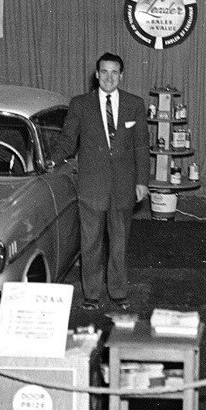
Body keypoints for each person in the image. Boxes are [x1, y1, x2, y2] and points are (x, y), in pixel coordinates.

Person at [52, 52, 150, 310]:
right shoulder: (80, 104)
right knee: (91, 241)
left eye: (114, 72)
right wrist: (50, 160)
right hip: (91, 186)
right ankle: (91, 295)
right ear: (96, 75)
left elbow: (141, 146)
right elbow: (67, 140)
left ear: (121, 75)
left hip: (123, 186)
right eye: (104, 72)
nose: (109, 77)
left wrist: (142, 181)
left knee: (119, 242)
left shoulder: (134, 104)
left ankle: (118, 292)